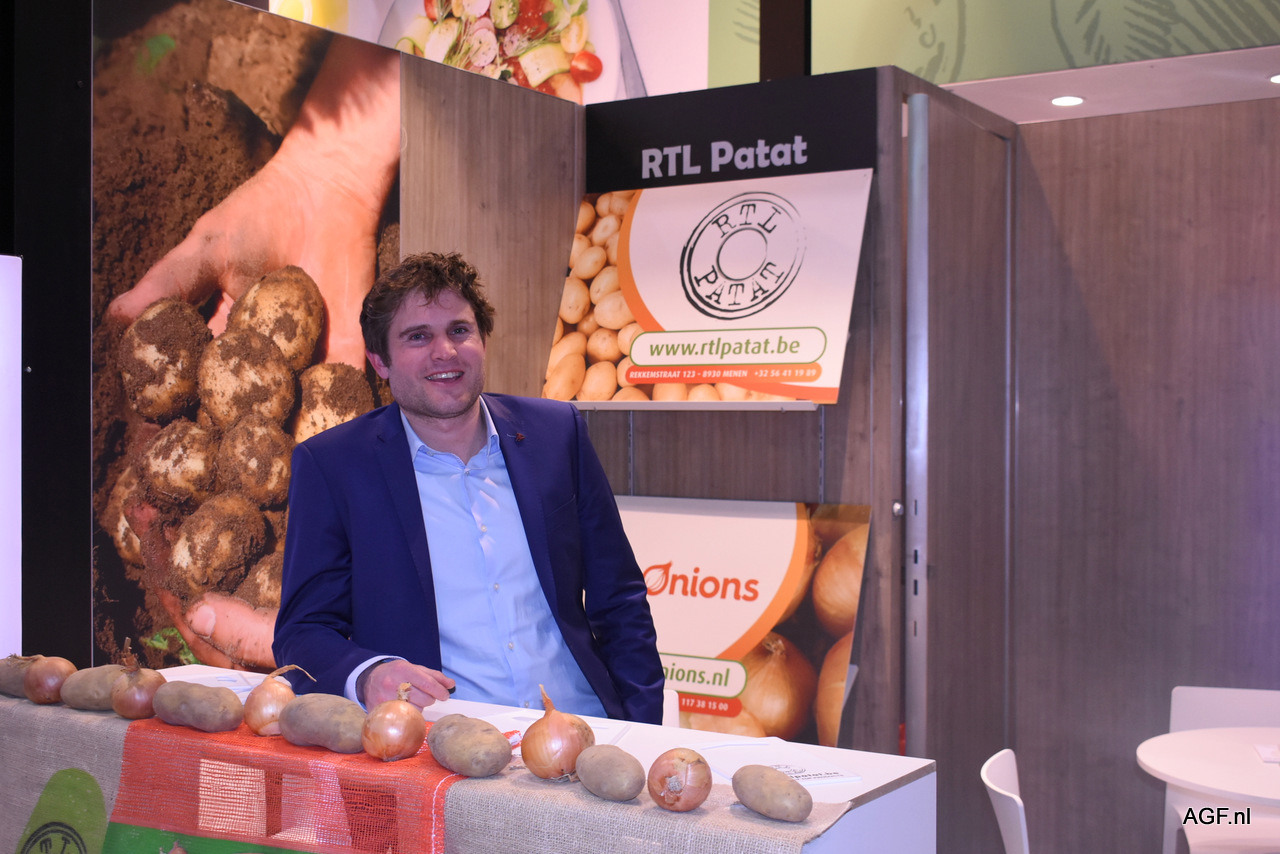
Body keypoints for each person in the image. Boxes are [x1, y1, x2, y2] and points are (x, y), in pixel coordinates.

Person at [271, 252, 665, 723]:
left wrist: (644, 728)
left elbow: (619, 598)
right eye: (418, 336)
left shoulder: (557, 434)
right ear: (379, 361)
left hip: (585, 728)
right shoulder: (334, 466)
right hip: (446, 742)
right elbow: (303, 631)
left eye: (459, 330)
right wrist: (368, 675)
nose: (446, 352)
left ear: (483, 339)